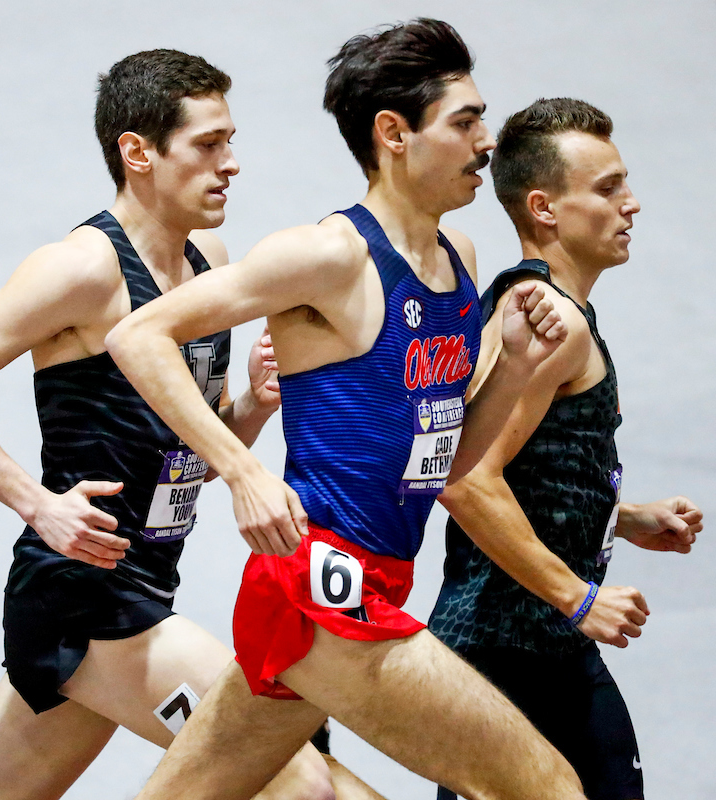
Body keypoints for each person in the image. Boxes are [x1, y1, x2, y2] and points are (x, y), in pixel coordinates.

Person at [107, 19, 589, 800]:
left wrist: (517, 371)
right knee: (548, 789)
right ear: (394, 134)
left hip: (374, 578)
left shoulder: (459, 261)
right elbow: (138, 334)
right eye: (464, 123)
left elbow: (447, 461)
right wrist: (241, 472)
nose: (484, 142)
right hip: (323, 589)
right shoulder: (330, 255)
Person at [0, 49, 379, 800]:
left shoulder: (205, 264)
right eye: (209, 145)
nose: (232, 164)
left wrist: (247, 407)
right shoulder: (83, 270)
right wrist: (37, 504)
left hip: (145, 585)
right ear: (138, 153)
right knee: (299, 782)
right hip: (85, 604)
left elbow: (187, 448)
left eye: (231, 141)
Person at [429, 98, 703, 800]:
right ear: (545, 208)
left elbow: (524, 473)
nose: (632, 204)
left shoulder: (547, 309)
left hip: (545, 649)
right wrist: (579, 599)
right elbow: (464, 479)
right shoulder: (550, 321)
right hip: (506, 653)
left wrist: (624, 516)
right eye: (608, 188)